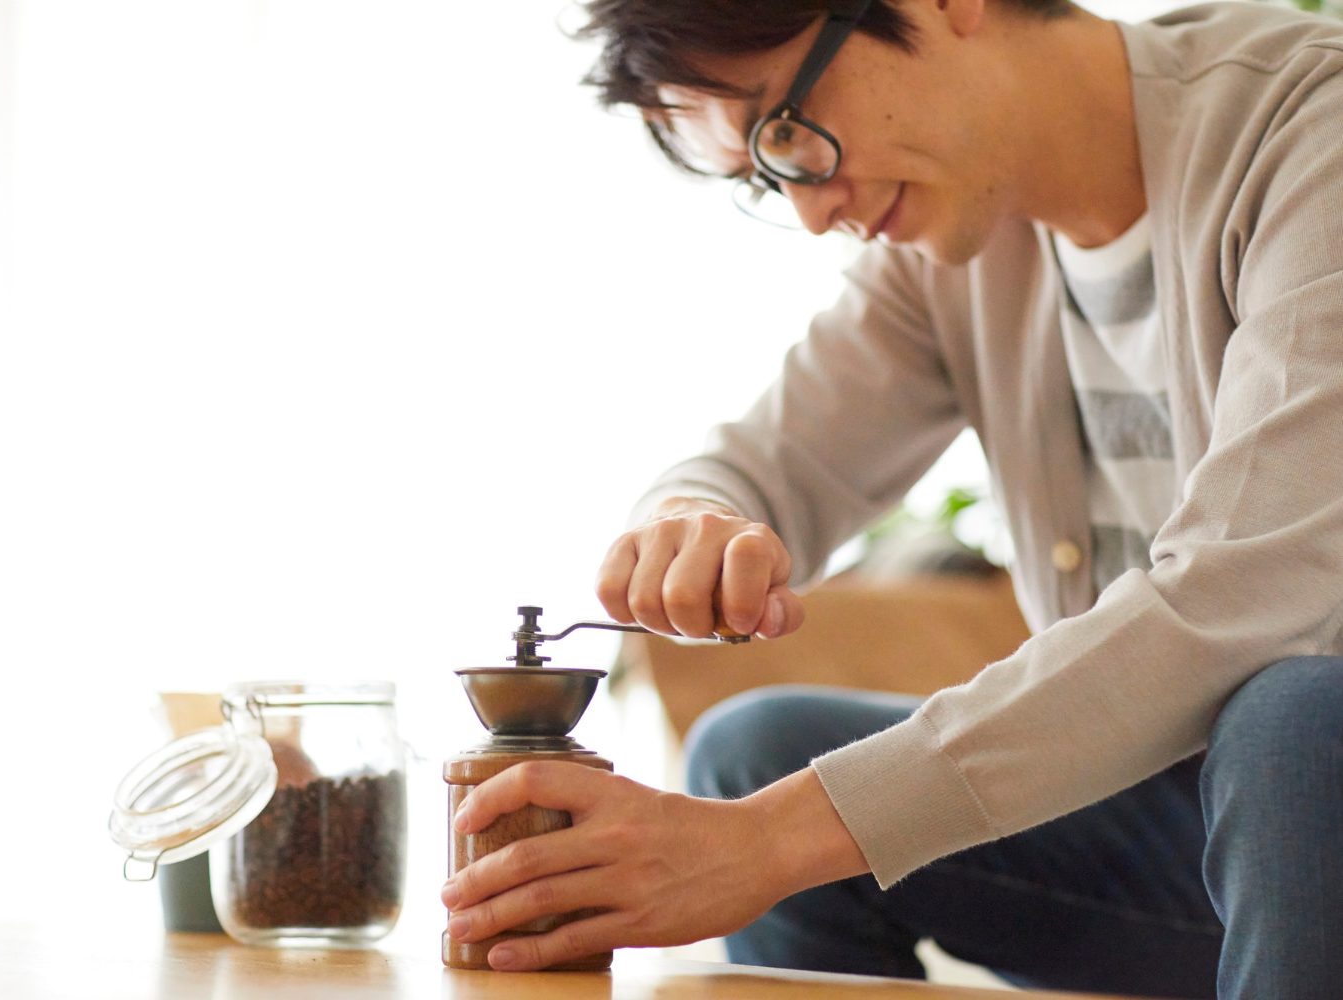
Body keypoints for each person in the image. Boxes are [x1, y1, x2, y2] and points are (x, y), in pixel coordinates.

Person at [439, 0, 1343, 995]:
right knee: (754, 750)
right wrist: (689, 524)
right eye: (762, 178)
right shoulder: (957, 242)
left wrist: (767, 843)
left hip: (1308, 807)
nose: (812, 211)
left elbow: (1243, 597)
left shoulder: (1311, 132)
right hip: (1202, 848)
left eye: (787, 133)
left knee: (1299, 729)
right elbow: (765, 461)